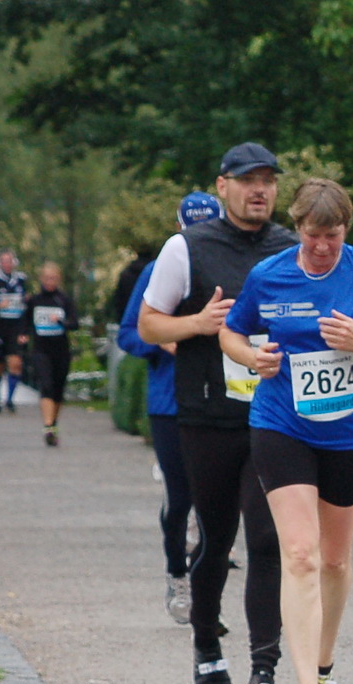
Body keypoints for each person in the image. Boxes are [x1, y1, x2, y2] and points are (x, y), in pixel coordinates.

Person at [220, 178, 353, 684]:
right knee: (301, 554)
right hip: (281, 425)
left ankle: (324, 668)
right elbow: (231, 334)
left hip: (349, 433)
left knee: (333, 559)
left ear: (346, 231)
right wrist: (252, 356)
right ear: (298, 228)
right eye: (313, 236)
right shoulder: (269, 275)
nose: (323, 247)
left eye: (333, 236)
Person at [139, 143, 297, 684]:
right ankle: (206, 643)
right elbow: (149, 325)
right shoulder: (187, 247)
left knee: (267, 538)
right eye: (248, 180)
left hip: (274, 416)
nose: (260, 190)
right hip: (208, 416)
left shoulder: (290, 247)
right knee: (216, 537)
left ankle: (263, 668)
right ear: (222, 185)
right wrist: (199, 323)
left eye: (268, 181)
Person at [119, 192, 223, 622]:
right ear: (179, 228)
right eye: (191, 230)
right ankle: (177, 575)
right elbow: (128, 334)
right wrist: (162, 341)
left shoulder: (231, 267)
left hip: (220, 396)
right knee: (181, 499)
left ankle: (206, 593)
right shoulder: (158, 269)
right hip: (169, 400)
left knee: (215, 503)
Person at [26, 262, 77, 446]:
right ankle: (48, 426)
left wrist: (61, 321)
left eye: (53, 278)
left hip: (61, 350)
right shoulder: (34, 300)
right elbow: (25, 322)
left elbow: (74, 323)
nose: (50, 282)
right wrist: (22, 336)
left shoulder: (64, 300)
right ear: (41, 279)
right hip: (41, 350)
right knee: (46, 385)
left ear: (59, 280)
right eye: (47, 278)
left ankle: (53, 423)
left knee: (57, 389)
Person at [0, 249, 29, 413]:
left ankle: (10, 399)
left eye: (10, 261)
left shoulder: (21, 280)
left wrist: (25, 331)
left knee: (16, 363)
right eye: (4, 261)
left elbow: (28, 304)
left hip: (15, 329)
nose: (7, 264)